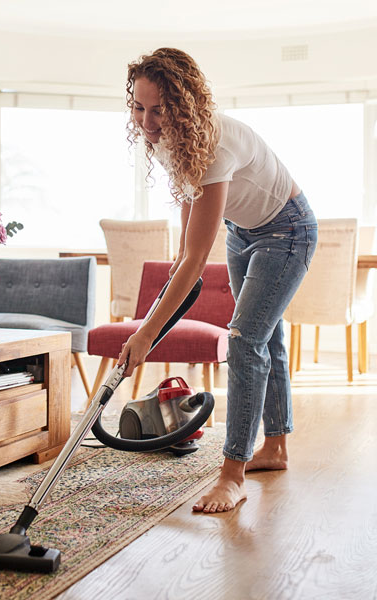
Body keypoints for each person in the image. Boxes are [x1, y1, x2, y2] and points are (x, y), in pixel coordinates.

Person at [118, 48, 318, 513]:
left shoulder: (212, 144)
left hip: (287, 230)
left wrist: (146, 332)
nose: (147, 122)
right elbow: (187, 247)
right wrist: (175, 277)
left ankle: (233, 476)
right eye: (138, 107)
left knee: (246, 341)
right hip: (241, 230)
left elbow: (195, 258)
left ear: (183, 105)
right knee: (267, 338)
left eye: (158, 109)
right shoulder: (170, 138)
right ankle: (277, 447)